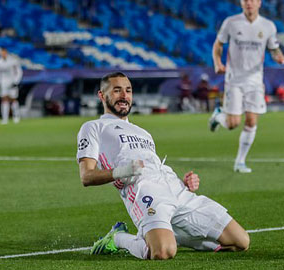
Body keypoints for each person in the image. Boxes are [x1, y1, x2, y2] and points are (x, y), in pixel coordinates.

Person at [77, 72, 249, 260]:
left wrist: (184, 183)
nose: (124, 96)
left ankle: (171, 234)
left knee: (240, 242)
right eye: (117, 91)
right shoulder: (93, 127)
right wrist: (123, 172)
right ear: (102, 95)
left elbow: (155, 168)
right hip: (144, 190)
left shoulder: (143, 133)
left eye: (128, 91)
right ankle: (117, 238)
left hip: (174, 188)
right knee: (162, 252)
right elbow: (87, 176)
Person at [209, 0, 284, 173]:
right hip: (234, 80)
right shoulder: (231, 22)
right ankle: (217, 116)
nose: (249, 3)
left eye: (253, 0)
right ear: (241, 3)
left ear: (259, 3)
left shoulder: (268, 26)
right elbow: (218, 44)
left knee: (251, 120)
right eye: (245, 0)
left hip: (255, 81)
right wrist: (217, 62)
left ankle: (240, 162)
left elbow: (274, 48)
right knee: (232, 124)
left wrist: (278, 56)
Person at [0, 47, 23, 124]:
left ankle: (16, 117)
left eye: (4, 52)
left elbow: (19, 71)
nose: (3, 54)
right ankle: (5, 118)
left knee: (13, 99)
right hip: (3, 82)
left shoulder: (13, 61)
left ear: (6, 52)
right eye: (1, 52)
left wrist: (16, 81)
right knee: (4, 99)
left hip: (12, 81)